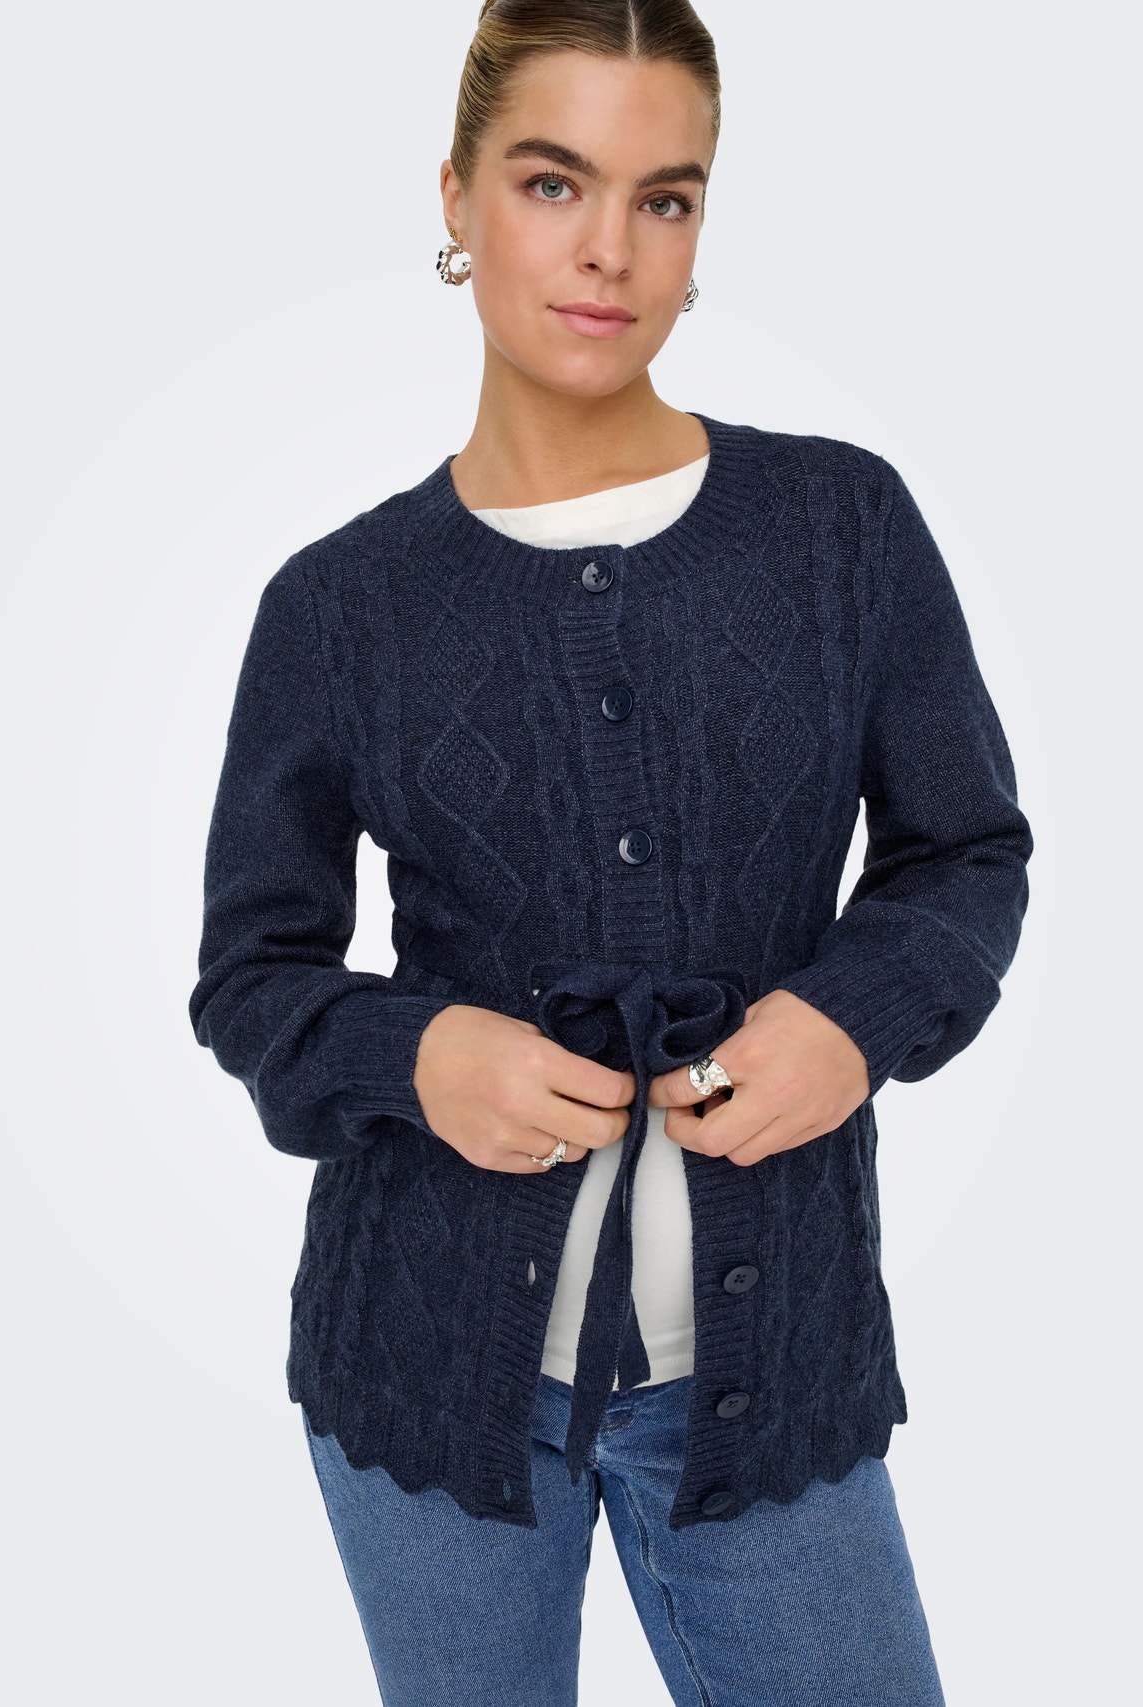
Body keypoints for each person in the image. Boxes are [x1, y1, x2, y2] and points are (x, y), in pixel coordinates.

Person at [188, 2, 1033, 1701]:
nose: (609, 251)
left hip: (765, 1381)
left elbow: (967, 855)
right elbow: (252, 978)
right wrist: (420, 1055)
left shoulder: (841, 528)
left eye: (665, 198)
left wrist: (852, 1018)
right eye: (552, 181)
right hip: (427, 1381)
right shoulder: (341, 607)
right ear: (456, 198)